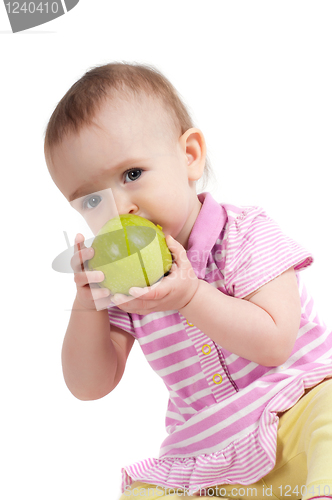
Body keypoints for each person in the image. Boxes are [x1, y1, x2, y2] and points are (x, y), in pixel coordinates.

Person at [44, 62, 332, 500]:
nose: (120, 208)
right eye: (93, 199)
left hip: (296, 408)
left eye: (132, 175)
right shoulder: (128, 287)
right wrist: (88, 303)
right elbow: (89, 385)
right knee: (142, 493)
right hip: (212, 454)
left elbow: (276, 342)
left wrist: (191, 295)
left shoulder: (246, 233)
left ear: (190, 155)